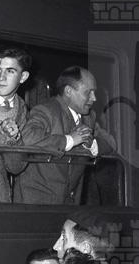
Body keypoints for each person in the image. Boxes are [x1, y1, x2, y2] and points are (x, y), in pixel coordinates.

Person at [11, 66, 116, 204]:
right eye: (88, 92)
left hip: (70, 205)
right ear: (68, 91)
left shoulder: (89, 117)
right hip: (36, 204)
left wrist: (92, 145)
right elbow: (28, 137)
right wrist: (70, 140)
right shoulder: (45, 111)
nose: (94, 98)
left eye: (94, 92)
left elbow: (111, 143)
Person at [0, 47, 31, 202]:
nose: (1, 78)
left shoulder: (21, 108)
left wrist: (13, 139)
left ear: (23, 77)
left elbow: (16, 167)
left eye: (10, 71)